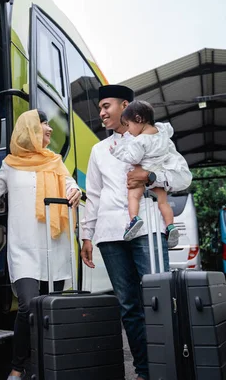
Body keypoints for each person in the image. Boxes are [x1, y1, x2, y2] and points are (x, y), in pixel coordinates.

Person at [80, 85, 191, 380]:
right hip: (110, 234)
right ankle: (144, 372)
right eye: (100, 108)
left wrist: (152, 176)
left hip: (148, 230)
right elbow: (93, 193)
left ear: (125, 106)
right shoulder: (99, 150)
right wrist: (87, 236)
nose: (101, 113)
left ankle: (168, 370)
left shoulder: (156, 139)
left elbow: (183, 177)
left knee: (159, 299)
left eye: (106, 106)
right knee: (129, 306)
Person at [0, 109, 82, 380]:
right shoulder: (10, 165)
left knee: (50, 308)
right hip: (23, 247)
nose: (49, 129)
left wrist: (75, 191)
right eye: (43, 124)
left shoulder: (55, 162)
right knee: (27, 306)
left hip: (54, 245)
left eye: (48, 124)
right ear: (29, 129)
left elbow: (71, 185)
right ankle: (18, 366)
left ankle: (47, 365)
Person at [109, 99, 182, 248]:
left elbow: (133, 158)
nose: (128, 130)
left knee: (133, 195)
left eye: (129, 125)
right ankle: (170, 226)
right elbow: (169, 129)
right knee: (163, 202)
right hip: (159, 173)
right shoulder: (161, 134)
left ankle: (134, 219)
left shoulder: (139, 141)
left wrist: (117, 152)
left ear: (138, 119)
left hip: (142, 174)